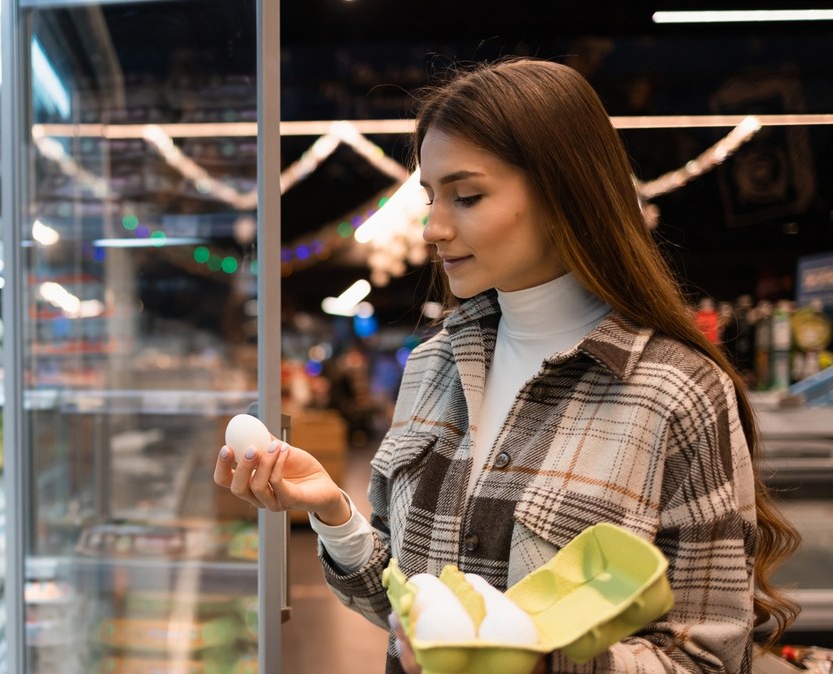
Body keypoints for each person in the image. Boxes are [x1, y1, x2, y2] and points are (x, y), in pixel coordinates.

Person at [213, 58, 800, 674]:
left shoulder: (673, 391)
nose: (434, 228)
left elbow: (708, 658)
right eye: (431, 198)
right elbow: (409, 609)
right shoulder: (434, 363)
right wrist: (333, 511)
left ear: (565, 193)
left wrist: (526, 662)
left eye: (467, 196)